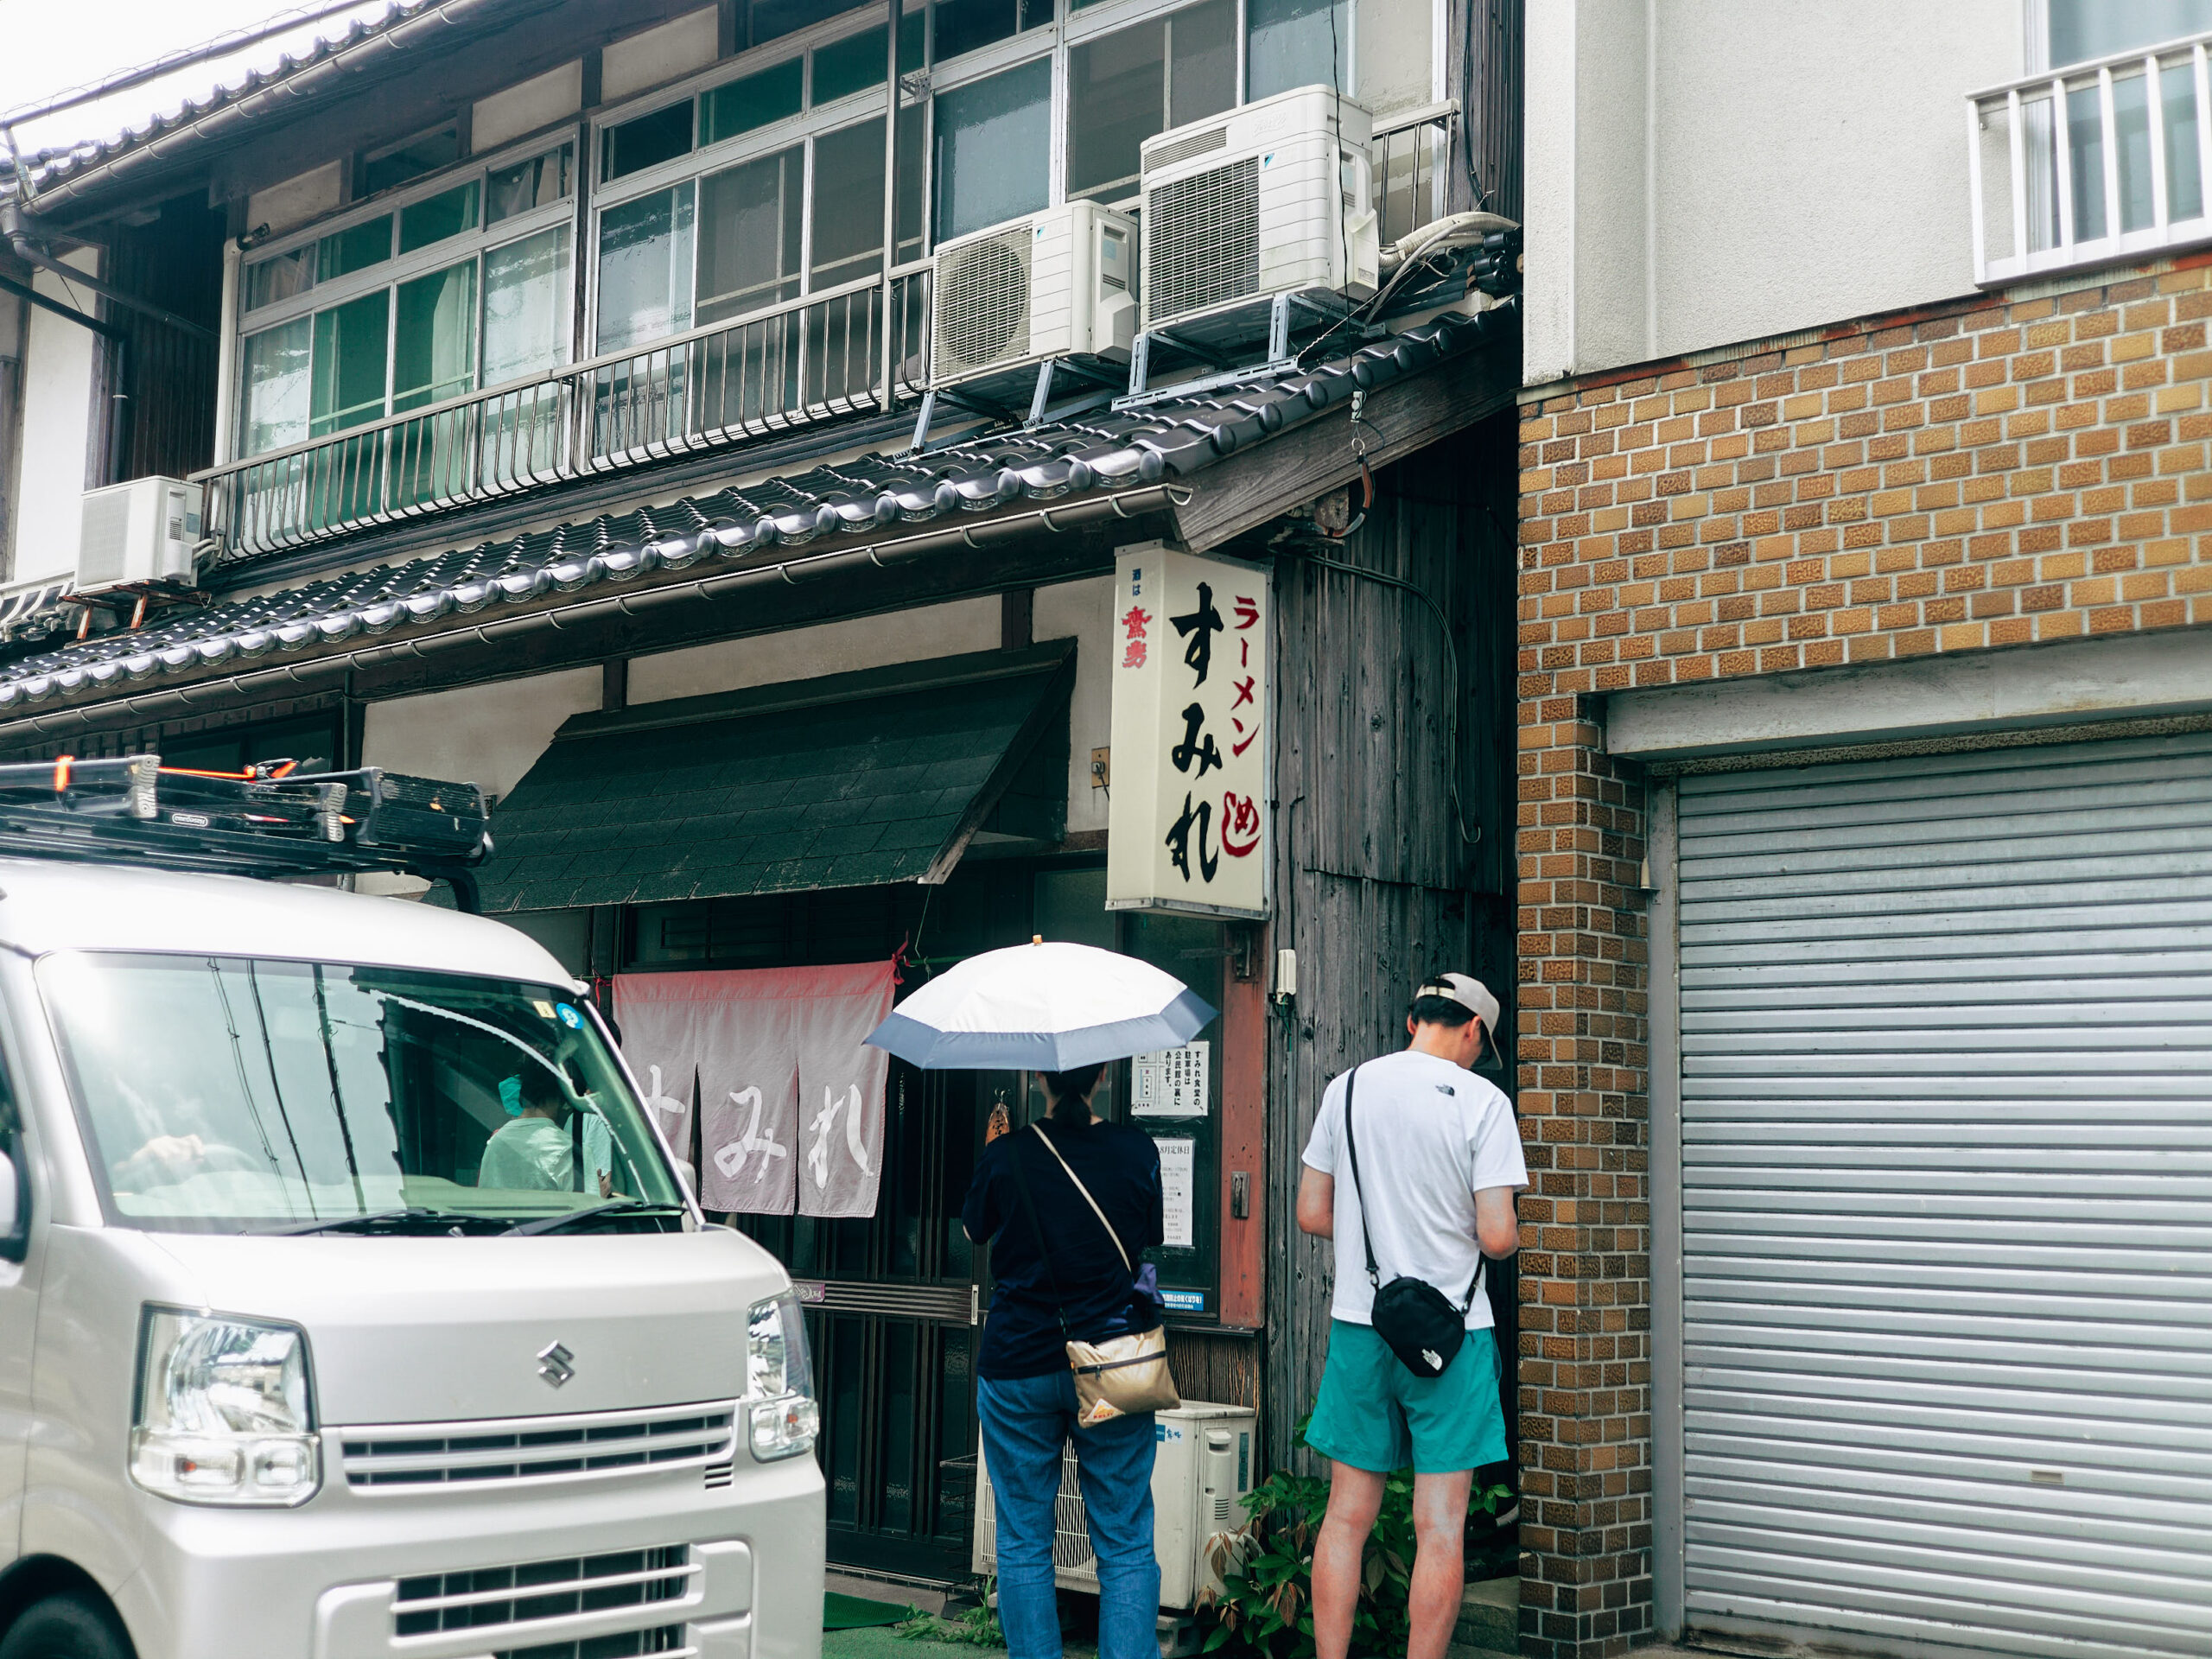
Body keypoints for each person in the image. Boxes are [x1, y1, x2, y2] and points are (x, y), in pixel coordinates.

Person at [1295, 972, 1529, 1659]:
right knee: (1441, 1524)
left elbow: (1314, 1212)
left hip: (1362, 1324)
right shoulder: (1484, 1103)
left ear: (1412, 1021)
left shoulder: (1350, 1087)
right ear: (1473, 1030)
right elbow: (1495, 1237)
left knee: (1345, 1516)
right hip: (1452, 1337)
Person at [962, 1064, 1166, 1659]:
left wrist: (993, 1154)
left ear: (1039, 1079)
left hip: (1018, 1362)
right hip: (1111, 1359)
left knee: (1024, 1538)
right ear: (1102, 1075)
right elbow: (1147, 1233)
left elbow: (976, 1229)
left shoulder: (1009, 1154)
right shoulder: (1136, 1150)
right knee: (1125, 1539)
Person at [479, 1065, 613, 1197]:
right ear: (563, 1100)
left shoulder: (495, 1142)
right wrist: (598, 1198)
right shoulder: (568, 1150)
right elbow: (585, 1213)